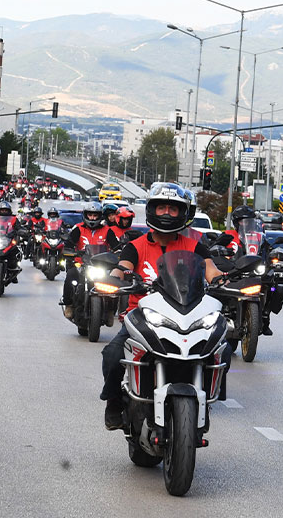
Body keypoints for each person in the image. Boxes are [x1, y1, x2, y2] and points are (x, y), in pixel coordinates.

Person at [100, 183, 223, 430]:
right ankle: (113, 402)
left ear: (183, 213)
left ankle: (205, 403)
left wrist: (224, 280)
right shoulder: (135, 246)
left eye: (173, 209)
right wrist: (114, 278)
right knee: (112, 354)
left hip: (187, 316)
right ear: (152, 210)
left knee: (222, 351)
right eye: (162, 207)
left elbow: (211, 269)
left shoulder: (194, 246)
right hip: (142, 316)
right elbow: (123, 267)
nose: (167, 213)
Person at [60, 203, 108, 319]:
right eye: (90, 215)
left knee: (113, 284)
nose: (92, 218)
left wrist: (117, 253)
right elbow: (69, 244)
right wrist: (69, 251)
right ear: (85, 215)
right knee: (70, 277)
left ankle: (110, 311)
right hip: (81, 264)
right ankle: (69, 304)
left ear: (100, 216)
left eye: (95, 215)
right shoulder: (78, 229)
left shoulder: (107, 230)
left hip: (100, 266)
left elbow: (116, 246)